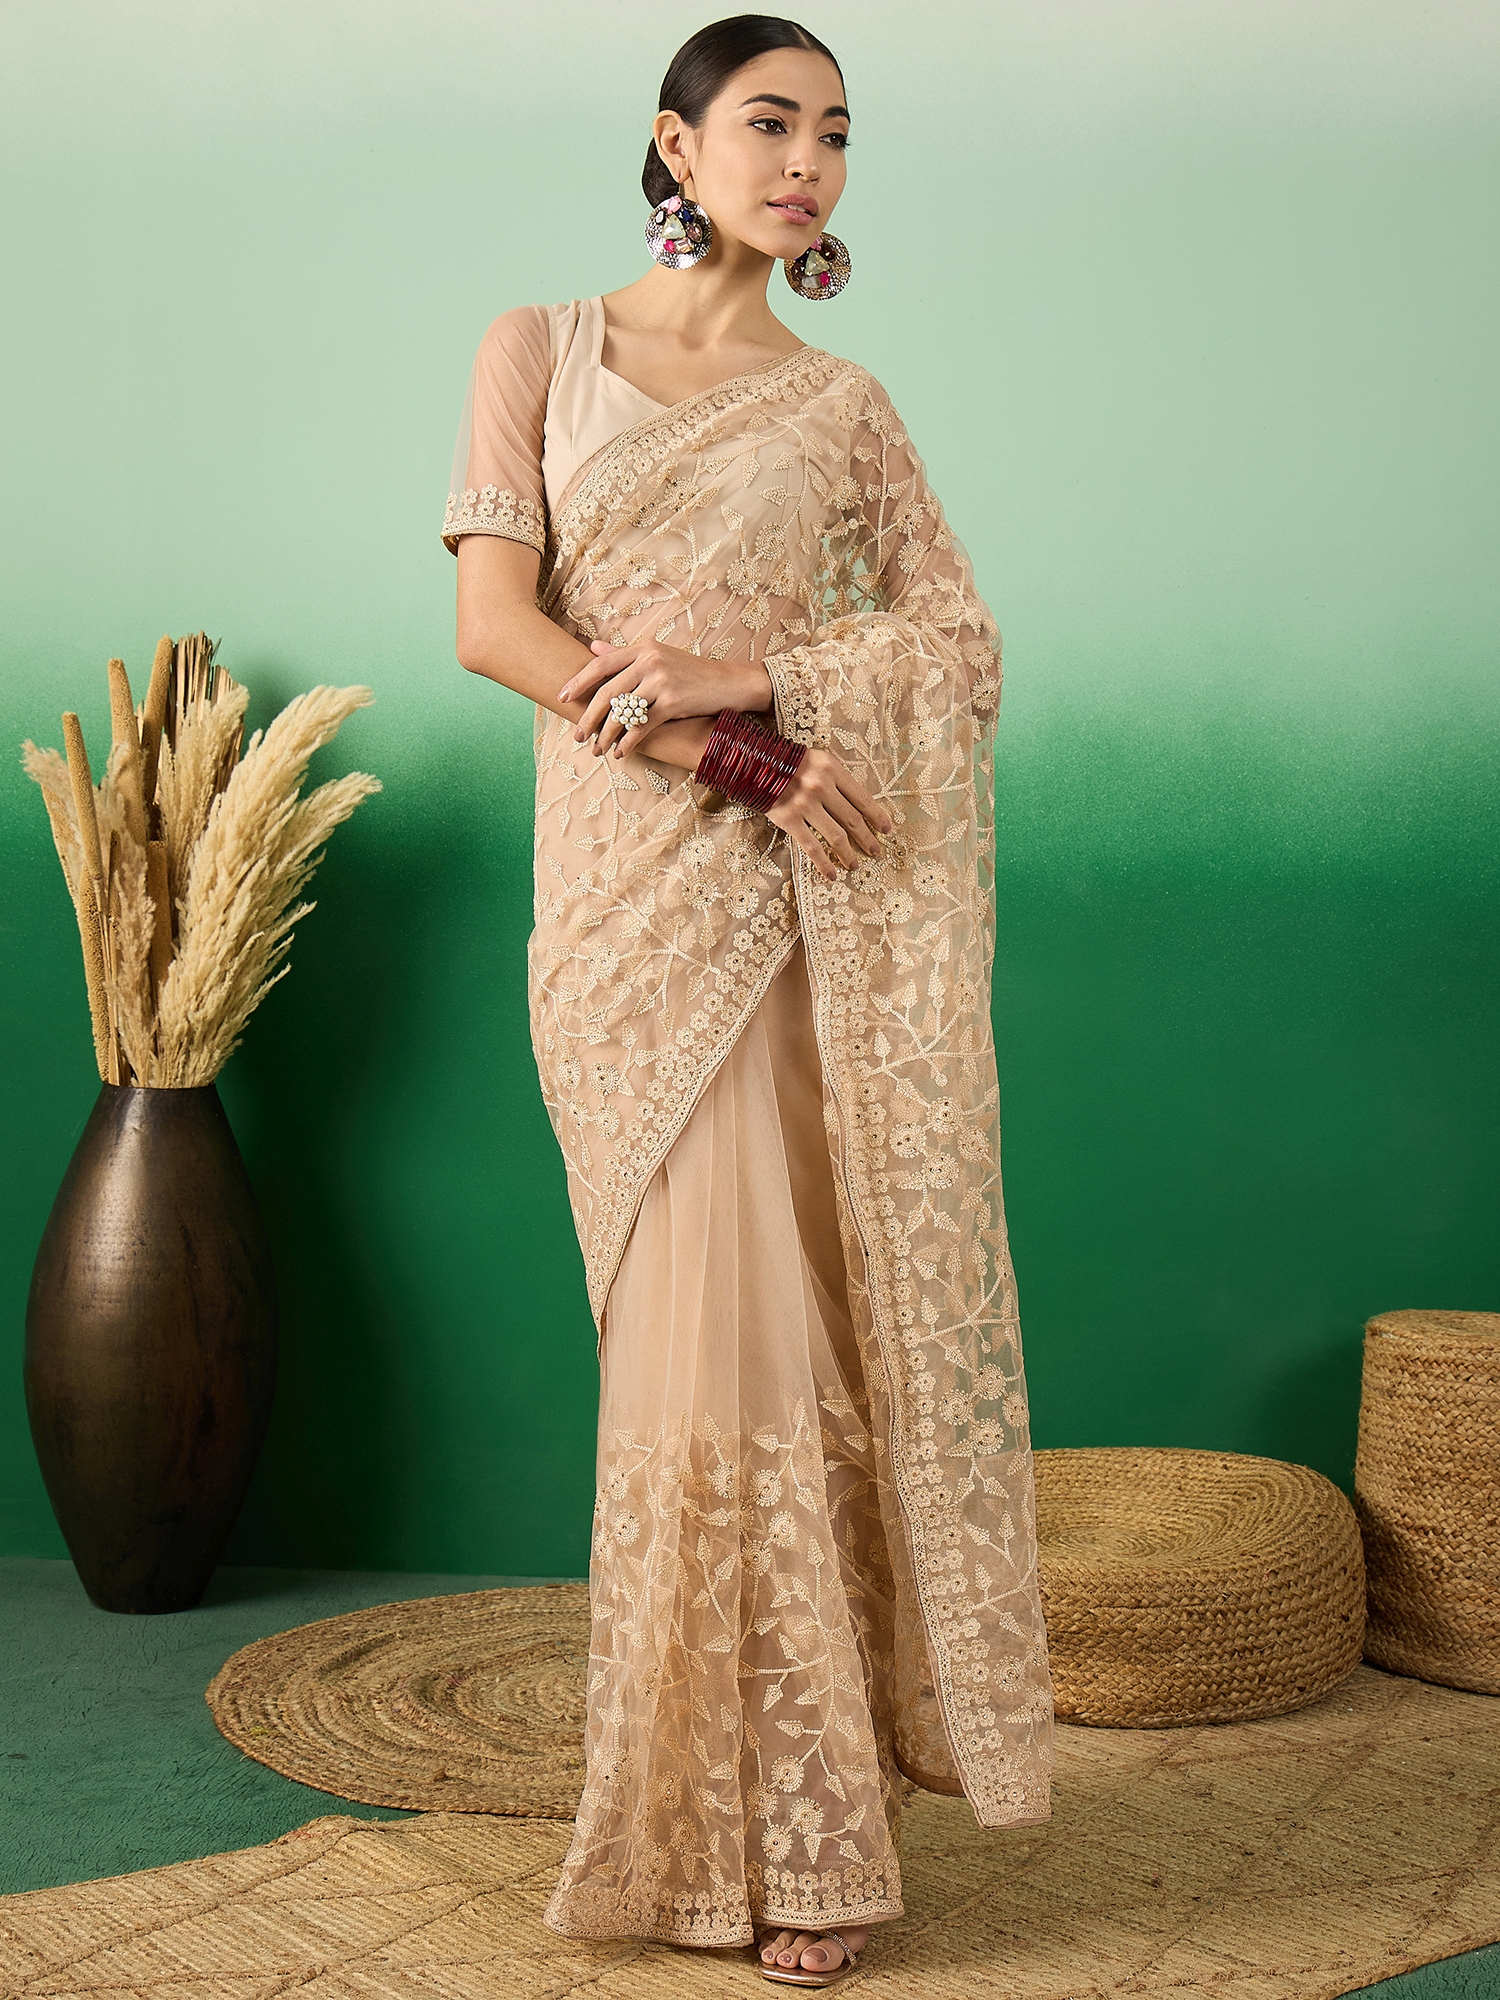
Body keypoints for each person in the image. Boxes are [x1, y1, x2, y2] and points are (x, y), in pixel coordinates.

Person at [445, 14, 1054, 1985]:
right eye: (771, 124)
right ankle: (698, 1815)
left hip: (790, 923)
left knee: (770, 1345)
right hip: (621, 906)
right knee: (677, 1353)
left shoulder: (842, 408)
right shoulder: (540, 348)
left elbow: (955, 644)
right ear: (675, 145)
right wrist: (734, 753)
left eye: (838, 135)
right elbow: (494, 625)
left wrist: (765, 683)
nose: (807, 163)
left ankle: (809, 1837)